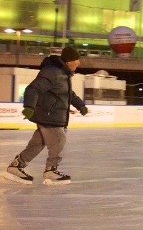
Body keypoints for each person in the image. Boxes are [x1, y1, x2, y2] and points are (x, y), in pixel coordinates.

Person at [4, 46, 87, 186]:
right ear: (68, 61)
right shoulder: (52, 72)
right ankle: (51, 170)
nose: (78, 63)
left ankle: (16, 166)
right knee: (59, 139)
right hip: (49, 116)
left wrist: (80, 105)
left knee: (37, 144)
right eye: (76, 60)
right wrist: (29, 107)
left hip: (51, 115)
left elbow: (69, 94)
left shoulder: (63, 74)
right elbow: (33, 89)